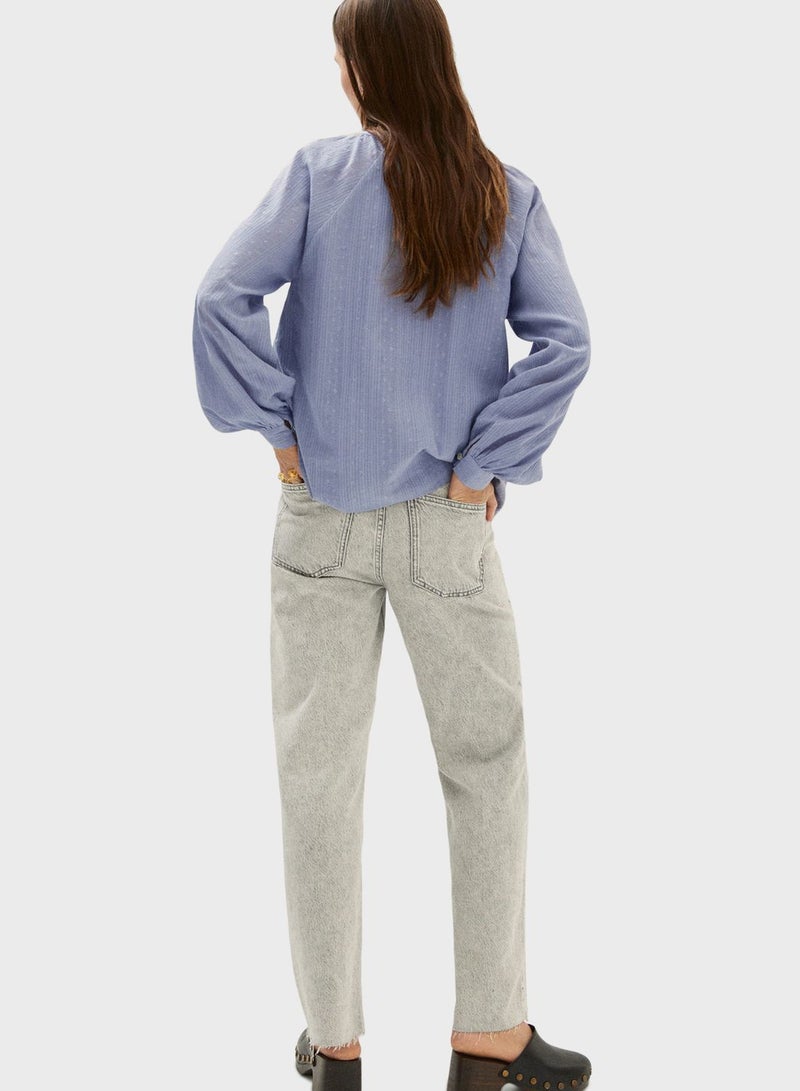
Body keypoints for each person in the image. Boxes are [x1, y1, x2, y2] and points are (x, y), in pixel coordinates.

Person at [192, 2, 592, 1088]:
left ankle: (336, 1045)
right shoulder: (501, 191)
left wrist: (281, 435)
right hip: (446, 525)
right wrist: (480, 464)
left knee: (316, 776)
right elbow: (567, 342)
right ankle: (490, 1034)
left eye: (341, 54)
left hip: (319, 513)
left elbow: (220, 297)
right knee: (486, 765)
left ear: (364, 68)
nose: (337, 71)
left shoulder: (318, 177)